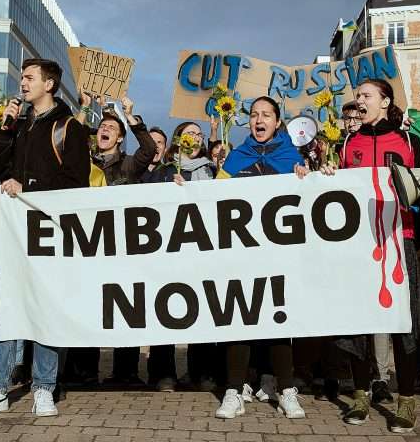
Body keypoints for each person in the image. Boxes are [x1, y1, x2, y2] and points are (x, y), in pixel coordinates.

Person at [0, 58, 89, 417]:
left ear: (49, 85)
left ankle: (44, 387)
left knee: (44, 310)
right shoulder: (18, 127)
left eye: (30, 77)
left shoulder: (69, 127)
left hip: (50, 234)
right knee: (8, 310)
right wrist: (4, 128)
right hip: (15, 234)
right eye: (22, 77)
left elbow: (76, 181)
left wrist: (29, 188)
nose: (23, 83)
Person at [335, 78, 420, 432]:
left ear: (385, 102)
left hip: (397, 239)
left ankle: (406, 400)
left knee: (403, 321)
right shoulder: (349, 142)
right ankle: (360, 396)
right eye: (357, 96)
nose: (359, 100)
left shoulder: (407, 141)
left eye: (366, 95)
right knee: (359, 321)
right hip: (359, 243)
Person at [213, 96, 308, 420]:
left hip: (279, 255)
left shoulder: (292, 156)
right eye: (254, 114)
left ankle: (286, 390)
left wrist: (305, 178)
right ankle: (234, 391)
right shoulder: (236, 158)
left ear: (278, 122)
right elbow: (213, 198)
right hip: (242, 255)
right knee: (241, 319)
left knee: (279, 320)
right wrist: (186, 189)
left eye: (266, 114)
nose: (259, 119)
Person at [82, 94, 156, 385]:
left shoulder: (128, 165)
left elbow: (149, 148)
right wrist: (88, 107)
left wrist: (130, 115)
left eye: (113, 128)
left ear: (121, 139)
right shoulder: (83, 164)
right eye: (103, 127)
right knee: (89, 306)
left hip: (124, 248)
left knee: (126, 307)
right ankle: (84, 370)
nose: (106, 130)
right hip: (91, 246)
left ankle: (125, 371)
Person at [145, 122, 217, 392]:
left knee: (204, 310)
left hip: (202, 254)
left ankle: (202, 371)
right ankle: (164, 372)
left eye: (199, 135)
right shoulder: (164, 171)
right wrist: (168, 188)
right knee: (166, 310)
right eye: (189, 134)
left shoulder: (212, 171)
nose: (195, 138)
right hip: (169, 254)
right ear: (178, 140)